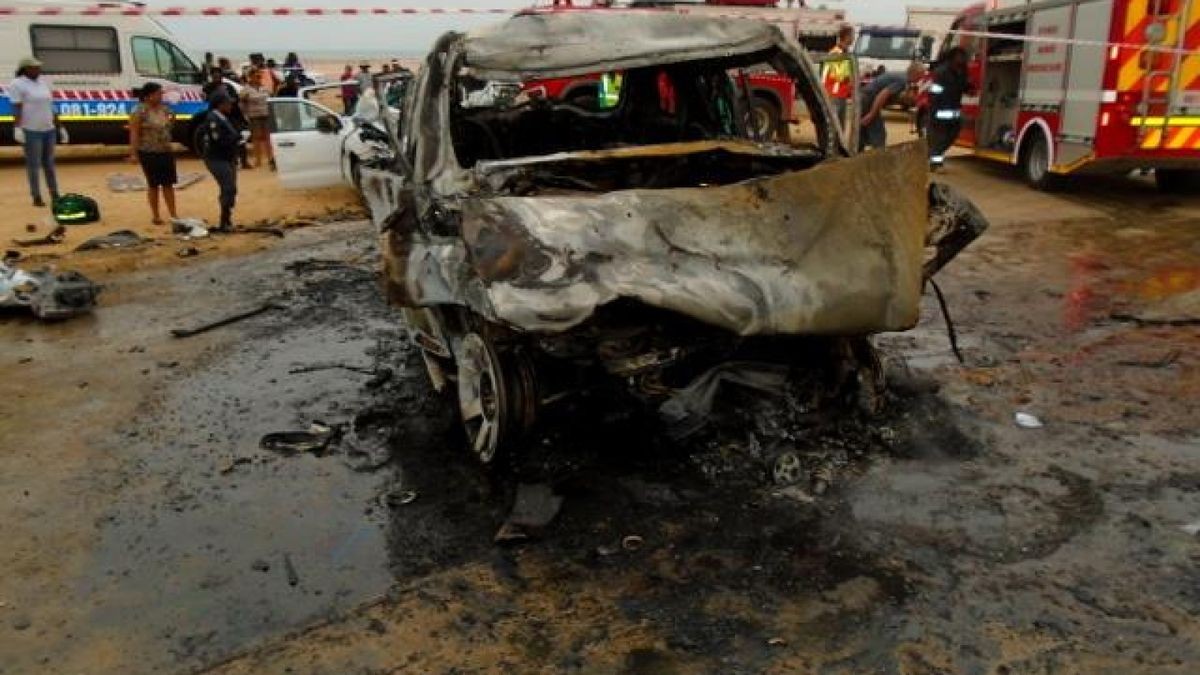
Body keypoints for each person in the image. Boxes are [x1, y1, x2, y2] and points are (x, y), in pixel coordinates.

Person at [9, 57, 66, 207]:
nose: (38, 70)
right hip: (31, 130)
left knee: (49, 164)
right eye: (35, 68)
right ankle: (36, 196)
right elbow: (17, 108)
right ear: (26, 69)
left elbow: (51, 106)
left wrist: (60, 126)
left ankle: (55, 194)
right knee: (33, 165)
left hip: (48, 129)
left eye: (38, 67)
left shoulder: (42, 83)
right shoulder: (17, 84)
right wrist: (17, 127)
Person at [127, 82, 178, 225]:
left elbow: (169, 126)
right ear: (149, 96)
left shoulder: (165, 109)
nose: (161, 96)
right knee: (153, 184)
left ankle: (173, 213)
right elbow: (134, 133)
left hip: (165, 150)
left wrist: (172, 119)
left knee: (168, 183)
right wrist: (134, 153)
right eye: (158, 93)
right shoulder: (138, 111)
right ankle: (156, 215)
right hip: (148, 151)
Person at [859, 63, 924, 151]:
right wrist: (871, 114)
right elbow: (882, 95)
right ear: (915, 73)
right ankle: (880, 156)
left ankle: (856, 152)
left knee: (863, 129)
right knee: (878, 133)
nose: (921, 78)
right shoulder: (902, 80)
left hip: (864, 96)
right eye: (921, 75)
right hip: (869, 98)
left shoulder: (902, 76)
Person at [201, 92, 242, 232]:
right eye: (228, 103)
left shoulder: (223, 117)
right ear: (220, 104)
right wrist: (236, 138)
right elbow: (218, 140)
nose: (231, 105)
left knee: (231, 189)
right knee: (228, 186)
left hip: (227, 157)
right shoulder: (213, 119)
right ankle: (224, 221)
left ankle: (227, 218)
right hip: (216, 158)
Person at [926, 47, 970, 170]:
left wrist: (969, 88)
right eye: (959, 56)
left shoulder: (962, 71)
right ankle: (935, 164)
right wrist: (934, 110)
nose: (962, 59)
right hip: (939, 111)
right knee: (939, 138)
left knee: (952, 136)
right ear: (952, 57)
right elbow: (935, 92)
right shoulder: (942, 72)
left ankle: (932, 154)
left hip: (954, 110)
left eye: (963, 56)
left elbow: (963, 85)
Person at [202, 67, 250, 169]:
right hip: (217, 117)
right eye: (214, 76)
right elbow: (207, 100)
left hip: (232, 116)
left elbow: (236, 98)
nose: (216, 78)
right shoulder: (208, 87)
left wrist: (230, 101)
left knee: (239, 138)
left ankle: (244, 161)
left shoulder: (228, 86)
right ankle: (232, 161)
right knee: (224, 140)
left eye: (218, 75)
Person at [239, 67, 273, 170]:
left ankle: (270, 158)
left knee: (268, 137)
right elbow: (241, 102)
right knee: (256, 138)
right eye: (256, 75)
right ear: (251, 76)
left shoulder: (264, 87)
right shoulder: (246, 89)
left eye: (259, 75)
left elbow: (271, 97)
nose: (258, 77)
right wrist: (245, 114)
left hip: (266, 115)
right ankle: (258, 160)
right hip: (254, 116)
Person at [822, 24, 855, 124]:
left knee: (840, 126)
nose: (853, 38)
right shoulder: (836, 53)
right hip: (834, 94)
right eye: (852, 35)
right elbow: (836, 74)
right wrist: (851, 79)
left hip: (841, 94)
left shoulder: (845, 53)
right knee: (834, 125)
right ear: (846, 36)